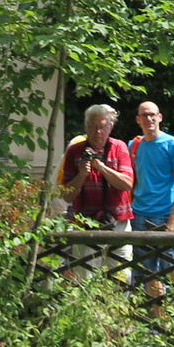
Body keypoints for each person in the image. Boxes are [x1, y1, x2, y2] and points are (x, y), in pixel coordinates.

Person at [57, 103, 135, 281]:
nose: (97, 132)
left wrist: (101, 167)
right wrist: (82, 175)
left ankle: (118, 308)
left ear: (110, 127)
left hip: (118, 220)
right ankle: (88, 307)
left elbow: (127, 184)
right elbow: (66, 195)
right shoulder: (75, 151)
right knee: (85, 275)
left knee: (122, 275)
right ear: (86, 127)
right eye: (93, 127)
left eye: (102, 127)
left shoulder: (119, 147)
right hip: (85, 222)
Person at [129, 100, 174, 296]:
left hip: (165, 215)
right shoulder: (134, 146)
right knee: (148, 273)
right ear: (138, 119)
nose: (149, 119)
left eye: (152, 114)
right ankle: (159, 323)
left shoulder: (173, 144)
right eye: (144, 115)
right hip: (139, 214)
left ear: (160, 117)